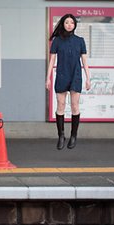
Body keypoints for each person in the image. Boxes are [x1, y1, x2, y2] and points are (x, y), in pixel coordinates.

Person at [46, 14, 91, 150]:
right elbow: (52, 60)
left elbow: (84, 61)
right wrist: (47, 77)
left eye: (72, 22)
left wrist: (88, 78)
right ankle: (61, 135)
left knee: (74, 106)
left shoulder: (80, 41)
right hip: (61, 75)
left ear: (75, 25)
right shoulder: (57, 41)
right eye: (67, 22)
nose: (69, 24)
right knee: (60, 105)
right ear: (63, 24)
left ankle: (73, 135)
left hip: (76, 76)